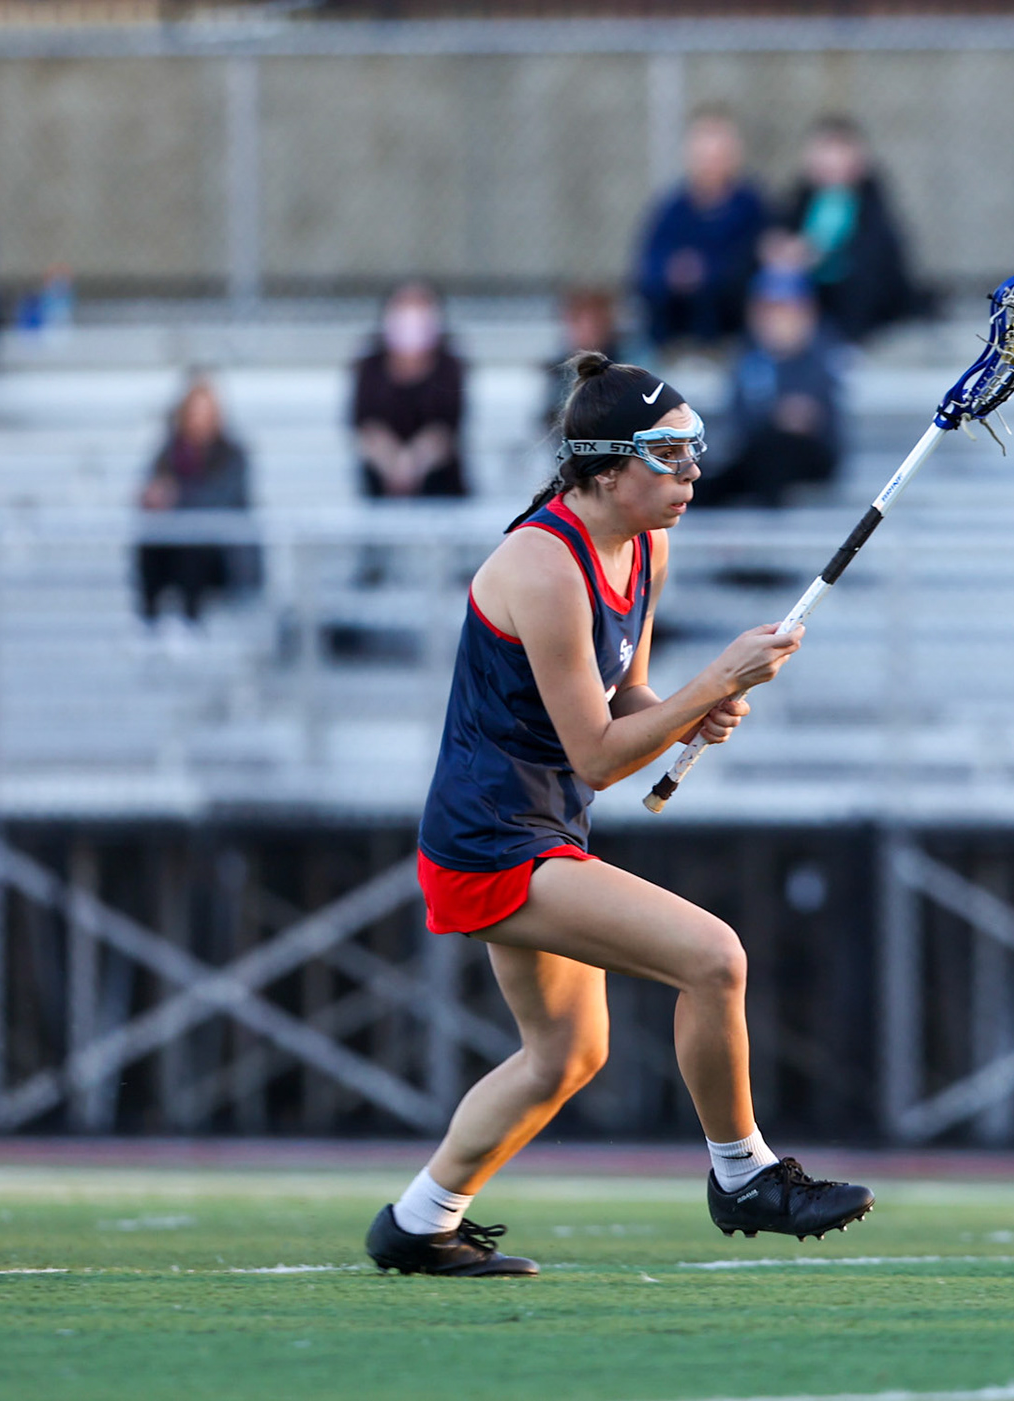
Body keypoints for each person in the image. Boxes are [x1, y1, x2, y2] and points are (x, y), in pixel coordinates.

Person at [365, 354, 874, 1277]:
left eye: (696, 450)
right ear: (604, 467)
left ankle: (417, 1221)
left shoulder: (645, 544)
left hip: (541, 824)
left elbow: (626, 698)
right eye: (670, 453)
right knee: (714, 958)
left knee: (564, 1054)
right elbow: (598, 755)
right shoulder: (543, 565)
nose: (692, 474)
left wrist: (691, 708)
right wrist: (713, 682)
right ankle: (744, 1174)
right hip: (491, 838)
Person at [695, 268, 846, 508]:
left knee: (776, 450)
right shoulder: (748, 360)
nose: (776, 321)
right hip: (757, 451)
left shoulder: (821, 357)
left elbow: (819, 421)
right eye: (768, 312)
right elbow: (739, 421)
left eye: (786, 311)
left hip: (807, 456)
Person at [775, 115, 919, 344]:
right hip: (811, 290)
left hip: (854, 293)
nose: (830, 161)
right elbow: (781, 231)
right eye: (823, 151)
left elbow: (878, 250)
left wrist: (820, 253)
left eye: (839, 152)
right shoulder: (802, 197)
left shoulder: (869, 198)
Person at [633, 108, 770, 351]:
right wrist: (672, 271)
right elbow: (648, 260)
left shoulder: (752, 206)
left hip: (730, 323)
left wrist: (705, 271)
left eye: (718, 154)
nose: (711, 163)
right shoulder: (673, 207)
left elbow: (751, 260)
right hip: (676, 320)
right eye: (703, 154)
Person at [136, 376, 259, 626]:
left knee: (192, 540)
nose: (199, 420)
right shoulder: (170, 451)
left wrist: (175, 498)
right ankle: (149, 622)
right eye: (194, 412)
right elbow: (153, 486)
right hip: (176, 548)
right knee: (151, 543)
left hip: (220, 554)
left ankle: (189, 622)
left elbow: (222, 501)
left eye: (205, 412)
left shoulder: (232, 455)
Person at [351, 281, 468, 499]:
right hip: (379, 487)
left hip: (441, 487)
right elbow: (364, 424)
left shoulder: (449, 365)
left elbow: (447, 428)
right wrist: (392, 464)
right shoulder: (370, 365)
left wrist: (414, 463)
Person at [541, 287, 623, 429]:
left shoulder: (626, 365)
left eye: (595, 324)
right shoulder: (557, 369)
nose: (587, 330)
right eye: (579, 322)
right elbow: (549, 416)